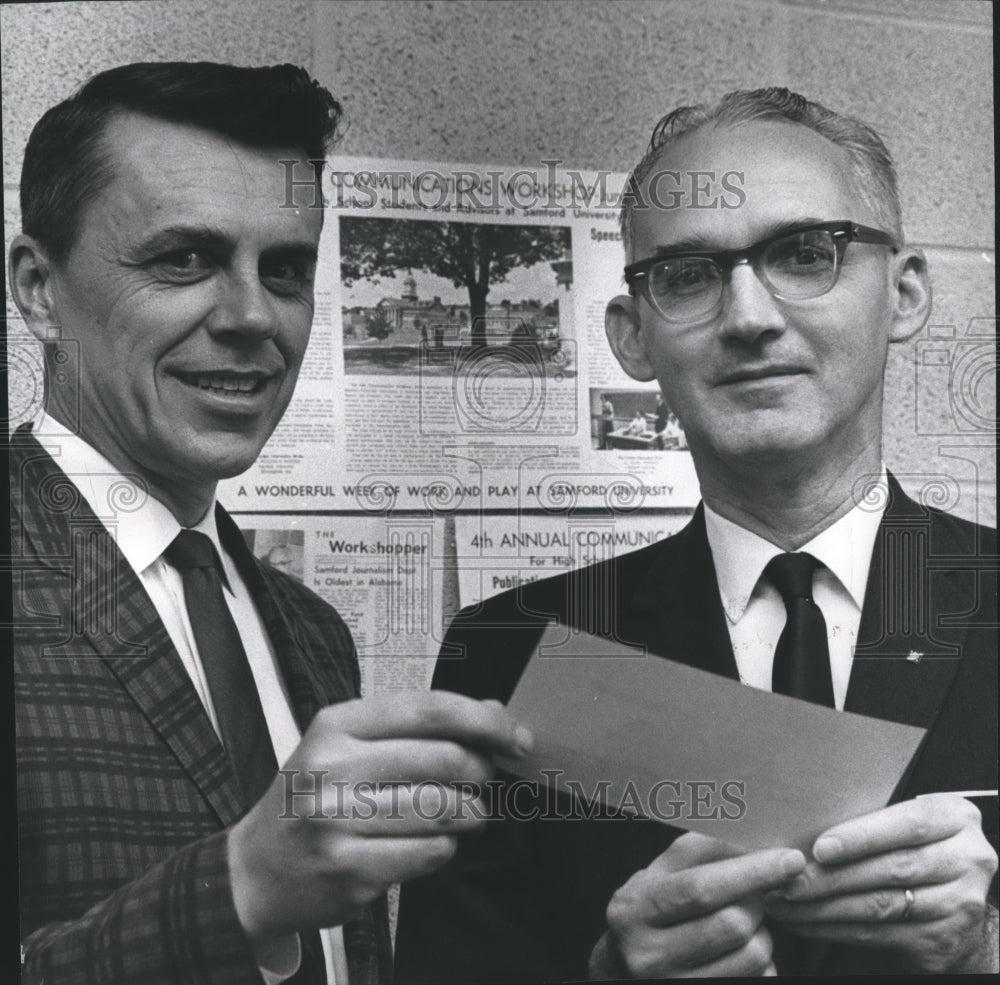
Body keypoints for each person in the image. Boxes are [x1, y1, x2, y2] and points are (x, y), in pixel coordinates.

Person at [395, 88, 998, 979]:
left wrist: (988, 944)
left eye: (805, 253)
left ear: (903, 293)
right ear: (634, 339)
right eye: (688, 275)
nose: (749, 316)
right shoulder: (517, 651)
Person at [8, 62, 532, 984]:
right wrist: (239, 888)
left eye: (285, 270)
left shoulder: (312, 632)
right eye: (184, 259)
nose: (254, 317)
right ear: (39, 291)